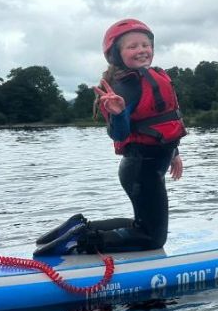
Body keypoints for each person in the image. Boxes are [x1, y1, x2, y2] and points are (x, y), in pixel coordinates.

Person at [35, 19, 186, 255]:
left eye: (146, 44)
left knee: (143, 226)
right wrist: (117, 114)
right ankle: (82, 239)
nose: (142, 50)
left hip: (147, 167)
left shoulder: (150, 78)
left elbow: (160, 124)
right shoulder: (126, 86)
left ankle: (80, 226)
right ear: (117, 53)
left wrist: (174, 153)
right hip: (141, 169)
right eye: (132, 46)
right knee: (152, 238)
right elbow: (120, 134)